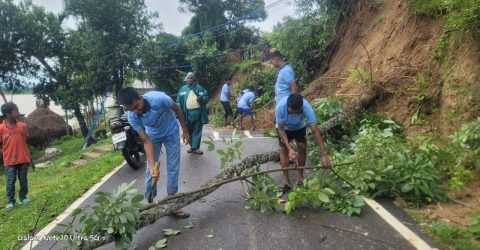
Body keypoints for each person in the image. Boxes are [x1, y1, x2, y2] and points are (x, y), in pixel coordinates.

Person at [118, 87, 190, 218]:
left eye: (137, 106)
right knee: (150, 171)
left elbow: (178, 110)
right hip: (153, 137)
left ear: (140, 97)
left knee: (173, 166)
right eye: (132, 109)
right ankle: (149, 202)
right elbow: (146, 141)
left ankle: (172, 202)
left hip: (171, 132)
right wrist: (152, 165)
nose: (136, 111)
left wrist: (185, 130)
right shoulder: (132, 116)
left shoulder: (160, 99)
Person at [275, 94, 332, 194]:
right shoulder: (280, 107)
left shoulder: (306, 107)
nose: (291, 114)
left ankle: (301, 177)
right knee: (283, 150)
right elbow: (281, 129)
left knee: (302, 148)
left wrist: (323, 154)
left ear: (300, 109)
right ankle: (286, 181)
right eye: (290, 111)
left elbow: (315, 131)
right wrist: (289, 149)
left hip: (299, 127)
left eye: (294, 112)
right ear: (287, 106)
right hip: (284, 129)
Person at [0, 102, 31, 210]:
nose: (18, 113)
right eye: (15, 111)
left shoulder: (22, 126)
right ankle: (10, 201)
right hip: (9, 161)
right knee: (10, 181)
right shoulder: (1, 129)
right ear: (8, 114)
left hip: (23, 159)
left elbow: (25, 140)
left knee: (23, 180)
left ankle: (23, 197)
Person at [176, 72, 209, 155]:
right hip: (186, 113)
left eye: (191, 77)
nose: (190, 79)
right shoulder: (182, 89)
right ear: (186, 79)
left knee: (197, 130)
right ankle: (192, 146)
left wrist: (201, 99)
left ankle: (196, 148)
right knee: (188, 130)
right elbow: (178, 101)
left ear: (194, 79)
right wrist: (178, 111)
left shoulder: (199, 88)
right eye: (188, 78)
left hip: (198, 113)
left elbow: (206, 98)